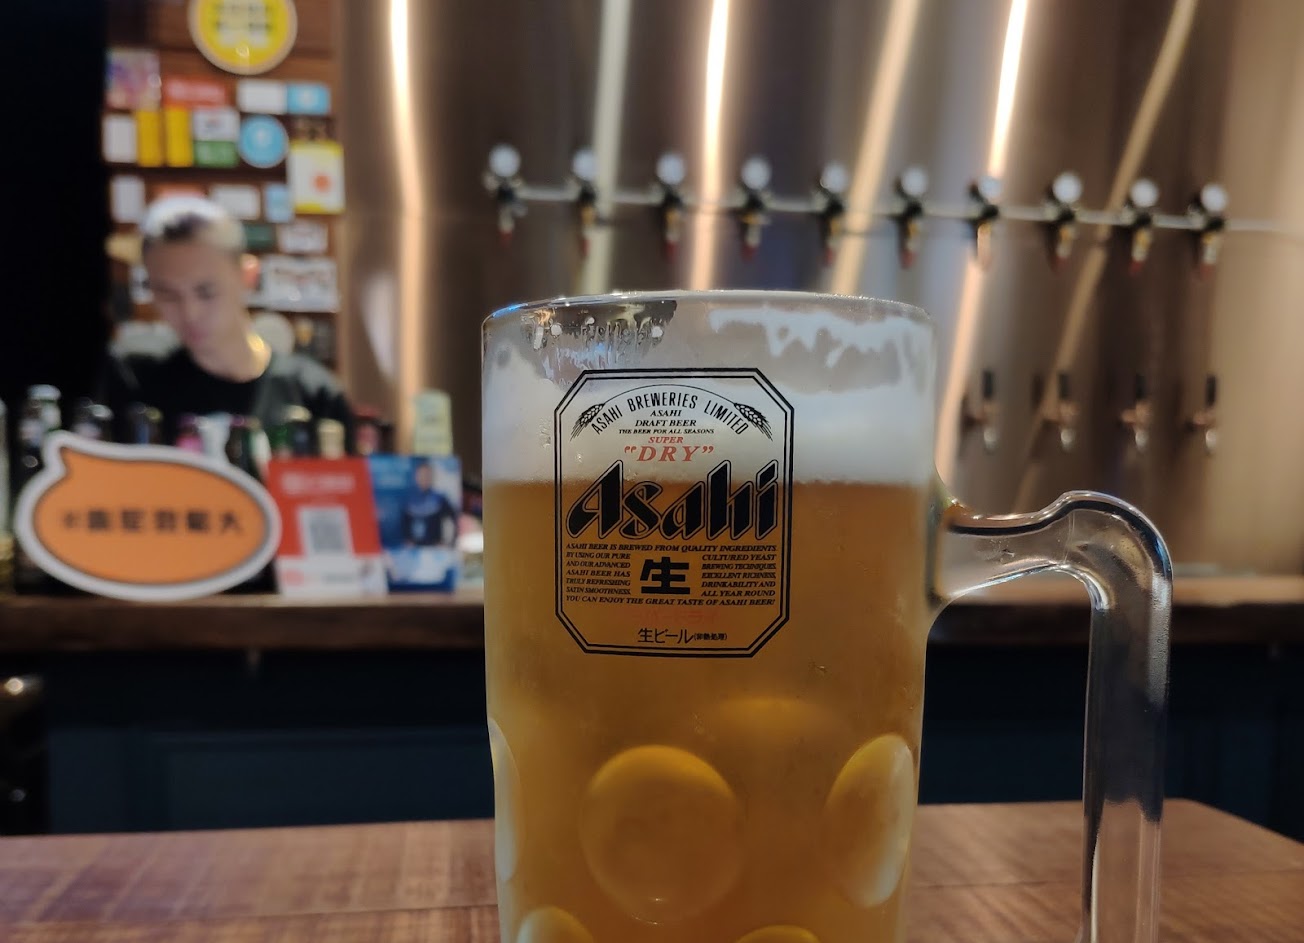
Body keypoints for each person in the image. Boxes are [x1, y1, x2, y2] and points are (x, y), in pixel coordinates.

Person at [103, 196, 353, 449]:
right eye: (168, 294)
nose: (190, 313)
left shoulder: (312, 394)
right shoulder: (134, 378)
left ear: (248, 276)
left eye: (206, 292)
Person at [401, 459, 458, 547]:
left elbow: (455, 519)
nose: (424, 478)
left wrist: (450, 542)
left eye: (427, 475)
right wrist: (407, 540)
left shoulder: (440, 498)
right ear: (416, 477)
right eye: (421, 475)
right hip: (414, 549)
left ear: (432, 477)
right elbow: (404, 523)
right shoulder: (409, 499)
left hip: (434, 548)